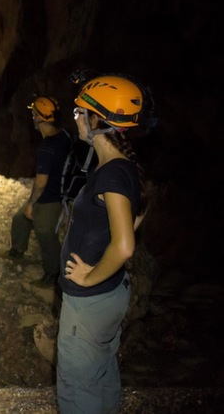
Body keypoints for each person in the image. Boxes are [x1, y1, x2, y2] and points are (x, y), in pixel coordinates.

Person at [57, 75, 150, 413]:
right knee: (102, 374)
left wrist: (88, 276)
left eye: (79, 111)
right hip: (110, 294)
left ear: (97, 120)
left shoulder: (112, 173)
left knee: (78, 388)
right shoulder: (122, 168)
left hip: (91, 302)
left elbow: (125, 247)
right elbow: (135, 218)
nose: (76, 117)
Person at [7, 96, 72, 287]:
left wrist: (31, 203)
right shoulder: (64, 136)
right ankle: (17, 251)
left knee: (45, 233)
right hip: (61, 190)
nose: (32, 117)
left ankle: (53, 275)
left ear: (40, 118)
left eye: (34, 114)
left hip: (51, 198)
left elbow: (41, 183)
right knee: (20, 219)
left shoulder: (46, 148)